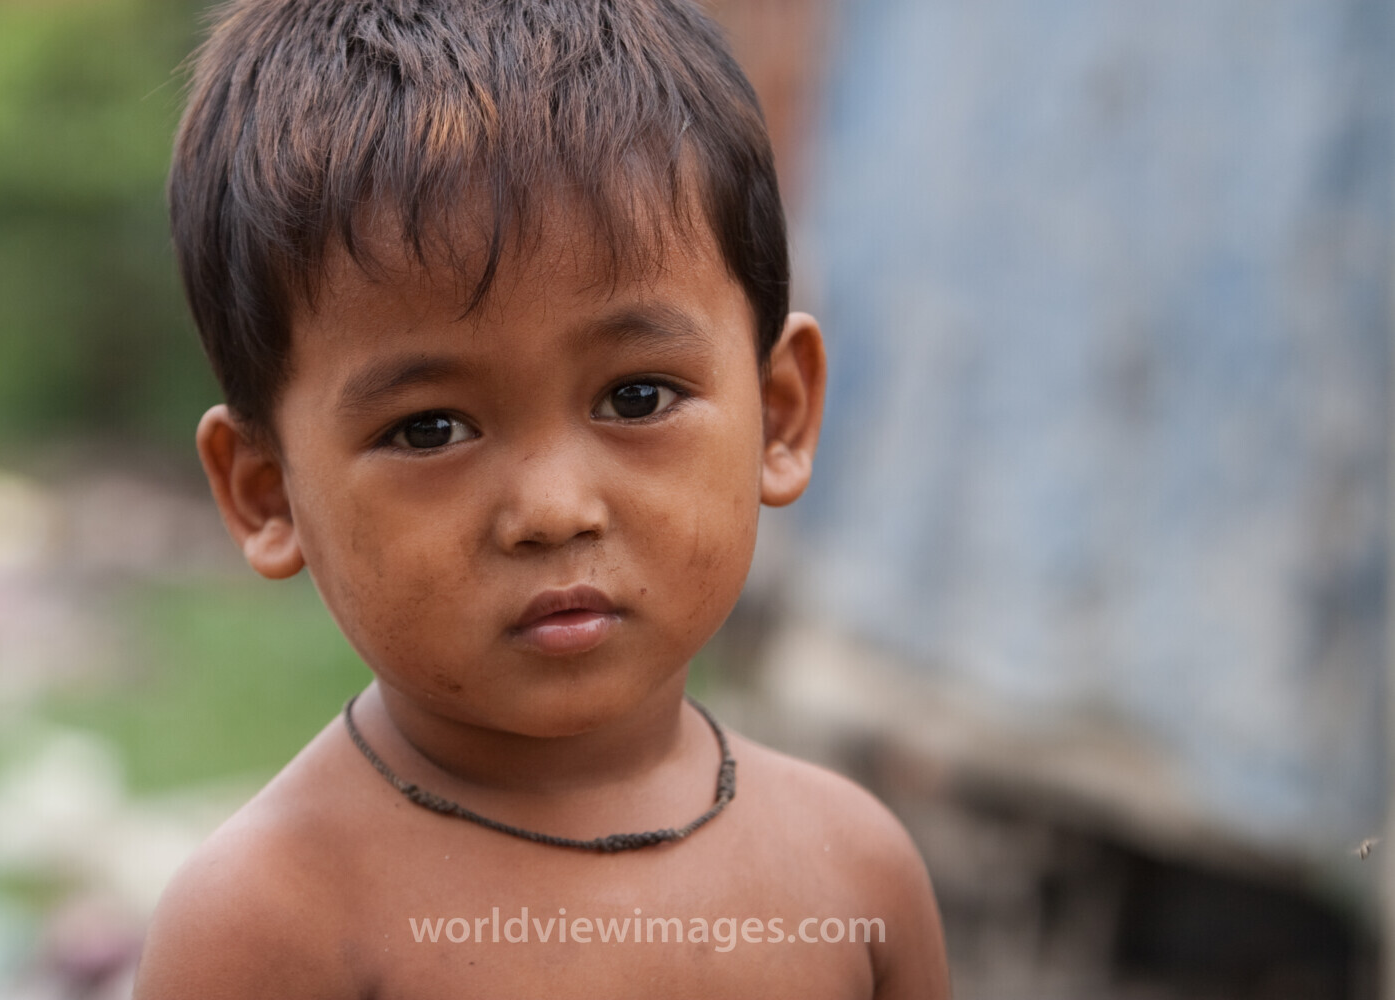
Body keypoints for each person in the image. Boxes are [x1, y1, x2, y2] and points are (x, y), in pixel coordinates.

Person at [132, 0, 949, 996]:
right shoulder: (274, 924)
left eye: (636, 397)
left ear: (778, 415)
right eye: (429, 428)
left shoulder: (855, 875)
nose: (556, 509)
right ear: (268, 493)